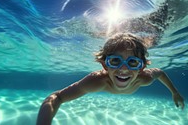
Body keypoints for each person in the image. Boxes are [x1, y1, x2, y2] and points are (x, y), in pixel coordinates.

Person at [36, 33, 184, 125]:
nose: (124, 69)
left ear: (141, 67)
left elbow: (161, 73)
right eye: (115, 61)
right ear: (104, 65)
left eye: (132, 62)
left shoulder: (145, 78)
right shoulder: (96, 81)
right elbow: (56, 97)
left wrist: (174, 92)